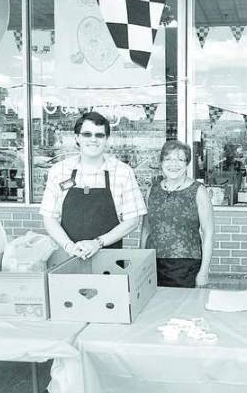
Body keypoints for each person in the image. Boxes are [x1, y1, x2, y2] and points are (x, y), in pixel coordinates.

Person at [40, 111, 146, 259]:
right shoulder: (59, 171)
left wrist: (97, 243)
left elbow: (132, 220)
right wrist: (69, 246)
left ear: (107, 139)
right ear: (77, 138)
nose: (93, 139)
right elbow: (49, 217)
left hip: (109, 260)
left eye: (99, 135)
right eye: (87, 134)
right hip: (67, 257)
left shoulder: (123, 172)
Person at [141, 140, 213, 288]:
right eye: (168, 159)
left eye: (180, 159)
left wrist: (204, 271)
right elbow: (146, 230)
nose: (173, 164)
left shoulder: (198, 191)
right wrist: (141, 261)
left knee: (182, 308)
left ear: (187, 164)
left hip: (185, 265)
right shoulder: (152, 191)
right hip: (153, 263)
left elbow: (208, 233)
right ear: (161, 162)